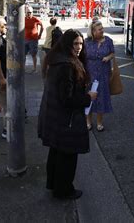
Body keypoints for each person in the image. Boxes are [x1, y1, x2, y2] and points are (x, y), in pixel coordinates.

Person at [38, 29, 97, 199]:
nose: (78, 47)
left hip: (55, 117)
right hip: (66, 120)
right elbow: (67, 99)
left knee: (56, 153)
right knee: (67, 157)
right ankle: (63, 191)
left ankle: (54, 185)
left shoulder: (56, 59)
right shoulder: (67, 65)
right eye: (75, 43)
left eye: (80, 43)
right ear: (67, 44)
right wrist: (88, 97)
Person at [84, 20, 114, 132]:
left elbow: (112, 53)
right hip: (89, 73)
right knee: (89, 97)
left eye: (102, 28)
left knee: (101, 97)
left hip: (103, 73)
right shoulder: (86, 42)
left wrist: (108, 57)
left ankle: (99, 123)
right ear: (93, 31)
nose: (102, 30)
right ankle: (88, 121)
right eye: (100, 29)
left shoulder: (108, 40)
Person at [24, 7, 43, 73]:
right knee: (23, 54)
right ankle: (23, 68)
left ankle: (34, 69)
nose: (28, 14)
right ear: (25, 13)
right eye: (27, 12)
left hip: (33, 39)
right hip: (25, 39)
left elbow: (42, 26)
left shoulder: (35, 19)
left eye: (30, 12)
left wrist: (40, 35)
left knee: (33, 54)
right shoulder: (23, 19)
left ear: (32, 13)